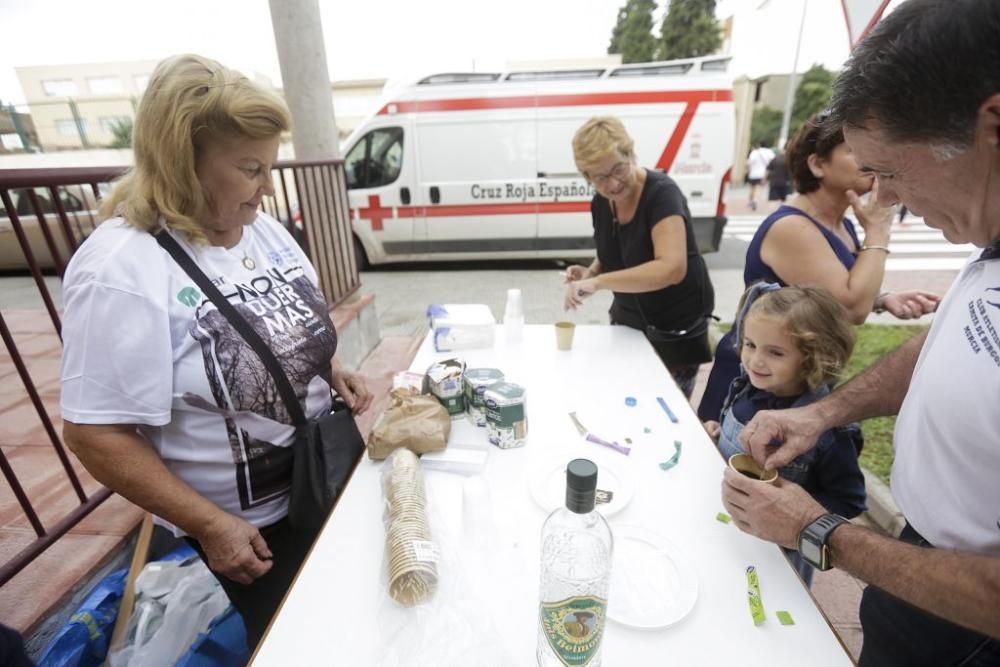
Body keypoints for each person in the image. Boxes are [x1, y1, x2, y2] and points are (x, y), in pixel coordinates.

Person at [59, 54, 373, 651]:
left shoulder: (259, 226)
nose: (266, 187)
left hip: (324, 477)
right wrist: (211, 525)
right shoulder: (121, 269)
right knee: (309, 644)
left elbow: (279, 327)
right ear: (183, 163)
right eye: (251, 167)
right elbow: (94, 433)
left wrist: (328, 367)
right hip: (251, 534)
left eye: (270, 166)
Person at [721, 1, 1000, 664]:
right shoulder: (986, 231)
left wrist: (820, 530)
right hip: (917, 562)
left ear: (992, 124)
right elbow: (947, 345)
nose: (887, 200)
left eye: (894, 172)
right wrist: (824, 411)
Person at [697, 111, 940, 422]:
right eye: (854, 150)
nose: (870, 159)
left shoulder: (841, 223)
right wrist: (878, 231)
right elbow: (851, 308)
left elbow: (829, 290)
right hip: (756, 383)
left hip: (793, 379)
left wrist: (882, 298)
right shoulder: (792, 227)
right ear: (817, 164)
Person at [704, 283, 865, 586]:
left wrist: (794, 510)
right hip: (724, 528)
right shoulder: (746, 388)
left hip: (778, 556)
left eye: (775, 352)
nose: (755, 361)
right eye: (750, 344)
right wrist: (717, 433)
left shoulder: (830, 432)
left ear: (814, 357)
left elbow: (850, 501)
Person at [563, 116, 715, 397]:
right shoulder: (600, 202)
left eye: (618, 169)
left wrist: (600, 282)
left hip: (674, 328)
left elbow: (671, 268)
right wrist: (590, 275)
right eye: (599, 177)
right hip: (630, 320)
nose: (613, 183)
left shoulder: (661, 194)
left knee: (665, 405)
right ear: (587, 177)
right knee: (625, 396)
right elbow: (613, 252)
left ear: (630, 153)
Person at [746, 143, 774, 211]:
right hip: (763, 174)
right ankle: (755, 201)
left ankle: (750, 201)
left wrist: (748, 171)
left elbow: (749, 163)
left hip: (753, 173)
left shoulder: (755, 152)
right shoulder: (769, 152)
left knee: (752, 188)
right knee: (758, 188)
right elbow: (772, 162)